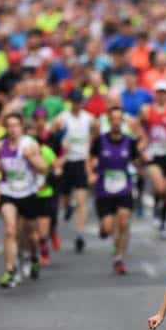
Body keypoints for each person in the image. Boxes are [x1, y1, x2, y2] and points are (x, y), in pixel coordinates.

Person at [0, 113, 48, 287]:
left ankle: (33, 257)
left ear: (21, 127)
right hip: (8, 192)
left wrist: (31, 158)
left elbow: (44, 168)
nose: (12, 129)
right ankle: (10, 270)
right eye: (9, 126)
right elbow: (1, 171)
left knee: (31, 235)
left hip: (28, 193)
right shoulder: (0, 146)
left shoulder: (30, 144)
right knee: (10, 230)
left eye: (16, 125)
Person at [88, 105, 142, 275]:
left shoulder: (130, 142)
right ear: (109, 121)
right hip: (104, 190)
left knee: (124, 223)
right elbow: (91, 157)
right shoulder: (100, 141)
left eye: (120, 119)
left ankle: (119, 258)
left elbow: (137, 161)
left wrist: (140, 163)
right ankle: (105, 230)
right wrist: (91, 172)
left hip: (124, 188)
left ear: (123, 121)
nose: (117, 122)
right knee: (108, 228)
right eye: (114, 119)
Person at [141, 81, 166, 238]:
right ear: (155, 94)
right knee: (160, 187)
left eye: (164, 92)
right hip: (153, 154)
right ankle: (156, 207)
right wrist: (143, 145)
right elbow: (139, 127)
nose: (162, 95)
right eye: (159, 92)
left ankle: (163, 220)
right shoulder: (147, 110)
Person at [54, 90, 93, 252]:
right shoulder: (62, 118)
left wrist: (90, 161)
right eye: (74, 102)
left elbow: (93, 137)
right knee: (65, 196)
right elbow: (54, 135)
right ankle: (68, 206)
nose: (77, 105)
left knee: (82, 199)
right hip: (66, 162)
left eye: (79, 102)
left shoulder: (88, 118)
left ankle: (80, 234)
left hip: (81, 161)